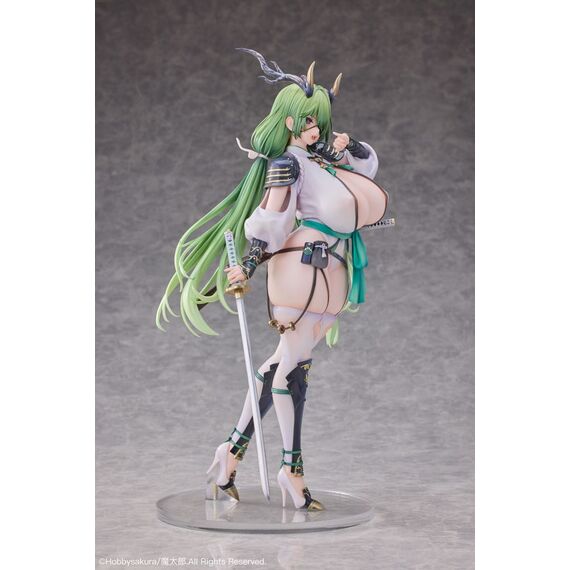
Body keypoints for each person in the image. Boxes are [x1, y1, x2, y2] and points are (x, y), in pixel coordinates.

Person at [156, 49, 388, 510]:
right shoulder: (288, 165)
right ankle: (291, 469)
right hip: (303, 268)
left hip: (332, 267)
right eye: (308, 121)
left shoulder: (323, 159)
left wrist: (347, 144)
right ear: (288, 121)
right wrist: (248, 263)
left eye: (320, 121)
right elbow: (272, 218)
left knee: (281, 362)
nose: (316, 129)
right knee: (294, 368)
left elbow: (366, 168)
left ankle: (229, 454)